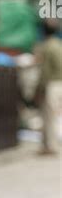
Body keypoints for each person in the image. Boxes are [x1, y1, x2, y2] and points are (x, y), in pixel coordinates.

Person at [35, 18, 62, 155]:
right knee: (56, 115)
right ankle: (49, 145)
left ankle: (50, 146)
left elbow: (44, 71)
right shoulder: (59, 44)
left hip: (52, 84)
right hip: (60, 83)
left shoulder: (46, 47)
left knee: (49, 116)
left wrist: (38, 88)